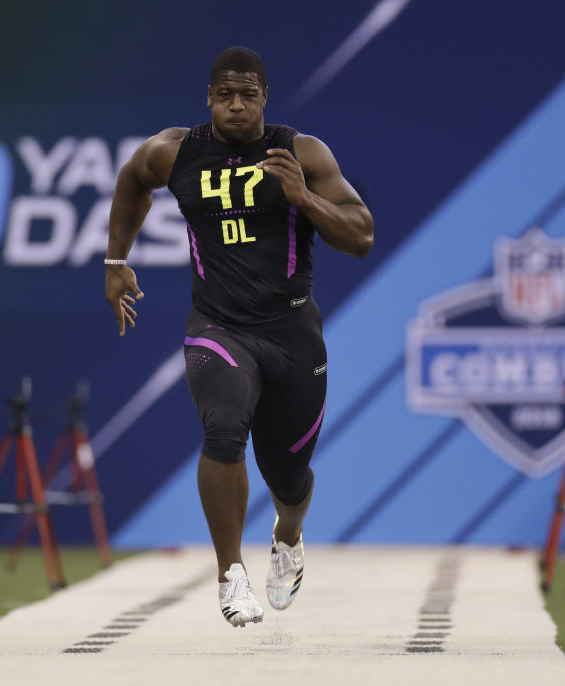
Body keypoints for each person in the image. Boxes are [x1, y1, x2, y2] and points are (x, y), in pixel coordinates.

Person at [105, 47, 373, 627]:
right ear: (208, 97)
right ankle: (230, 576)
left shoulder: (300, 151)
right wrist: (114, 260)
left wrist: (304, 197)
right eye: (224, 94)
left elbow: (361, 237)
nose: (235, 105)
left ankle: (289, 536)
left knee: (289, 476)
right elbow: (132, 182)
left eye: (247, 95)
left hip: (293, 334)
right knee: (223, 428)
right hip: (218, 326)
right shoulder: (175, 150)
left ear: (264, 99)